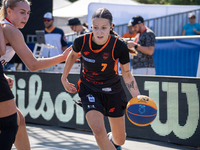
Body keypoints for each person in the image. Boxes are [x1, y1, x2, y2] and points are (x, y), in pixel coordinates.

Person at [61, 8, 140, 150]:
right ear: (91, 25)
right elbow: (72, 55)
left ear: (111, 27)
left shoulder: (119, 46)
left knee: (120, 140)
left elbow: (127, 74)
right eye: (95, 27)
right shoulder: (81, 41)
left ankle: (111, 140)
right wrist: (64, 77)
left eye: (104, 28)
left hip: (113, 91)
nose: (99, 32)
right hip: (89, 88)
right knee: (98, 130)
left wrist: (137, 98)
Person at [0, 0, 71, 149]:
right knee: (10, 125)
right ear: (9, 11)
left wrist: (4, 76)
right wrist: (62, 57)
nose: (26, 17)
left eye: (28, 13)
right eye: (22, 12)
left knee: (19, 120)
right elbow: (33, 64)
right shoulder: (11, 30)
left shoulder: (4, 27)